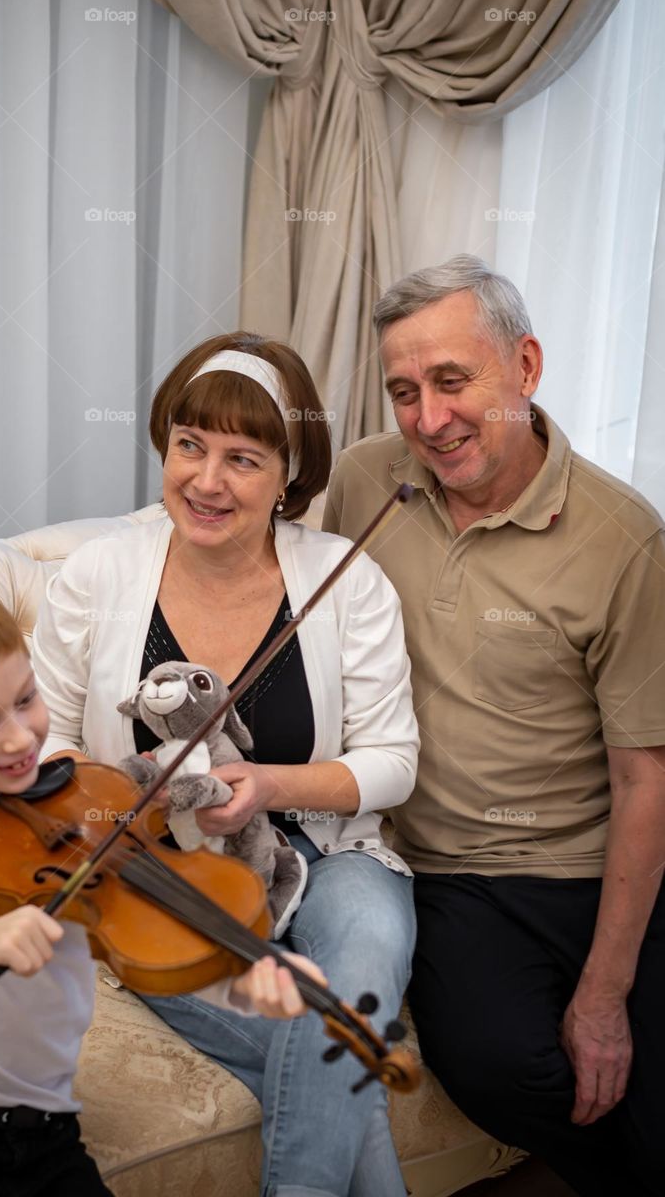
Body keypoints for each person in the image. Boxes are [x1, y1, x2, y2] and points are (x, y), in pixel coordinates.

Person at [32, 332, 420, 1197]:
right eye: (190, 446)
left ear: (288, 474)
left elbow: (394, 762)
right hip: (163, 864)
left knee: (366, 953)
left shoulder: (347, 579)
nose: (207, 481)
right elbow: (43, 738)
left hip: (329, 847)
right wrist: (129, 803)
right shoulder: (99, 574)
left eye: (243, 459)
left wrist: (270, 785)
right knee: (338, 1038)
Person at [323, 254, 665, 1197]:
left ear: (526, 365)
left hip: (596, 860)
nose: (429, 419)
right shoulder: (363, 481)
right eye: (404, 392)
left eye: (452, 380)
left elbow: (646, 779)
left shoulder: (625, 540)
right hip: (451, 873)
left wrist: (603, 994)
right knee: (499, 1067)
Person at [0, 565, 320, 1197]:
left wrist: (247, 978)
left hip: (47, 1129)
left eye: (25, 699)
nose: (20, 738)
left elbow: (138, 935)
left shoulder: (79, 801)